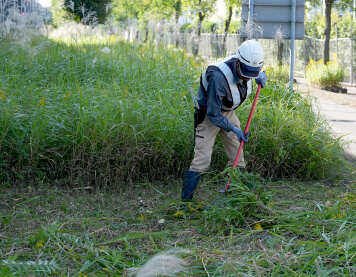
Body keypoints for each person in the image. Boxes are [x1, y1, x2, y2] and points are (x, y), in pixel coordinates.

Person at [181, 40, 267, 200]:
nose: (247, 77)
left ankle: (231, 197)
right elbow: (214, 114)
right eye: (246, 72)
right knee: (202, 159)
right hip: (209, 114)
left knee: (237, 158)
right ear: (238, 62)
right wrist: (234, 129)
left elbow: (254, 72)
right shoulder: (218, 77)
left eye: (252, 73)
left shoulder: (249, 62)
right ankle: (185, 204)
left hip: (229, 112)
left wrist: (260, 76)